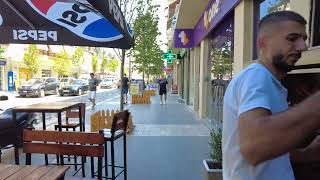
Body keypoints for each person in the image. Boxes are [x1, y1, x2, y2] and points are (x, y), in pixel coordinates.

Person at [222, 11, 320, 180]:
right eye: (292, 38)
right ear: (262, 43)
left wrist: (306, 154)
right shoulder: (257, 76)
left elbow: (263, 154)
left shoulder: (267, 80)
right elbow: (254, 148)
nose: (302, 47)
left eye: (304, 39)